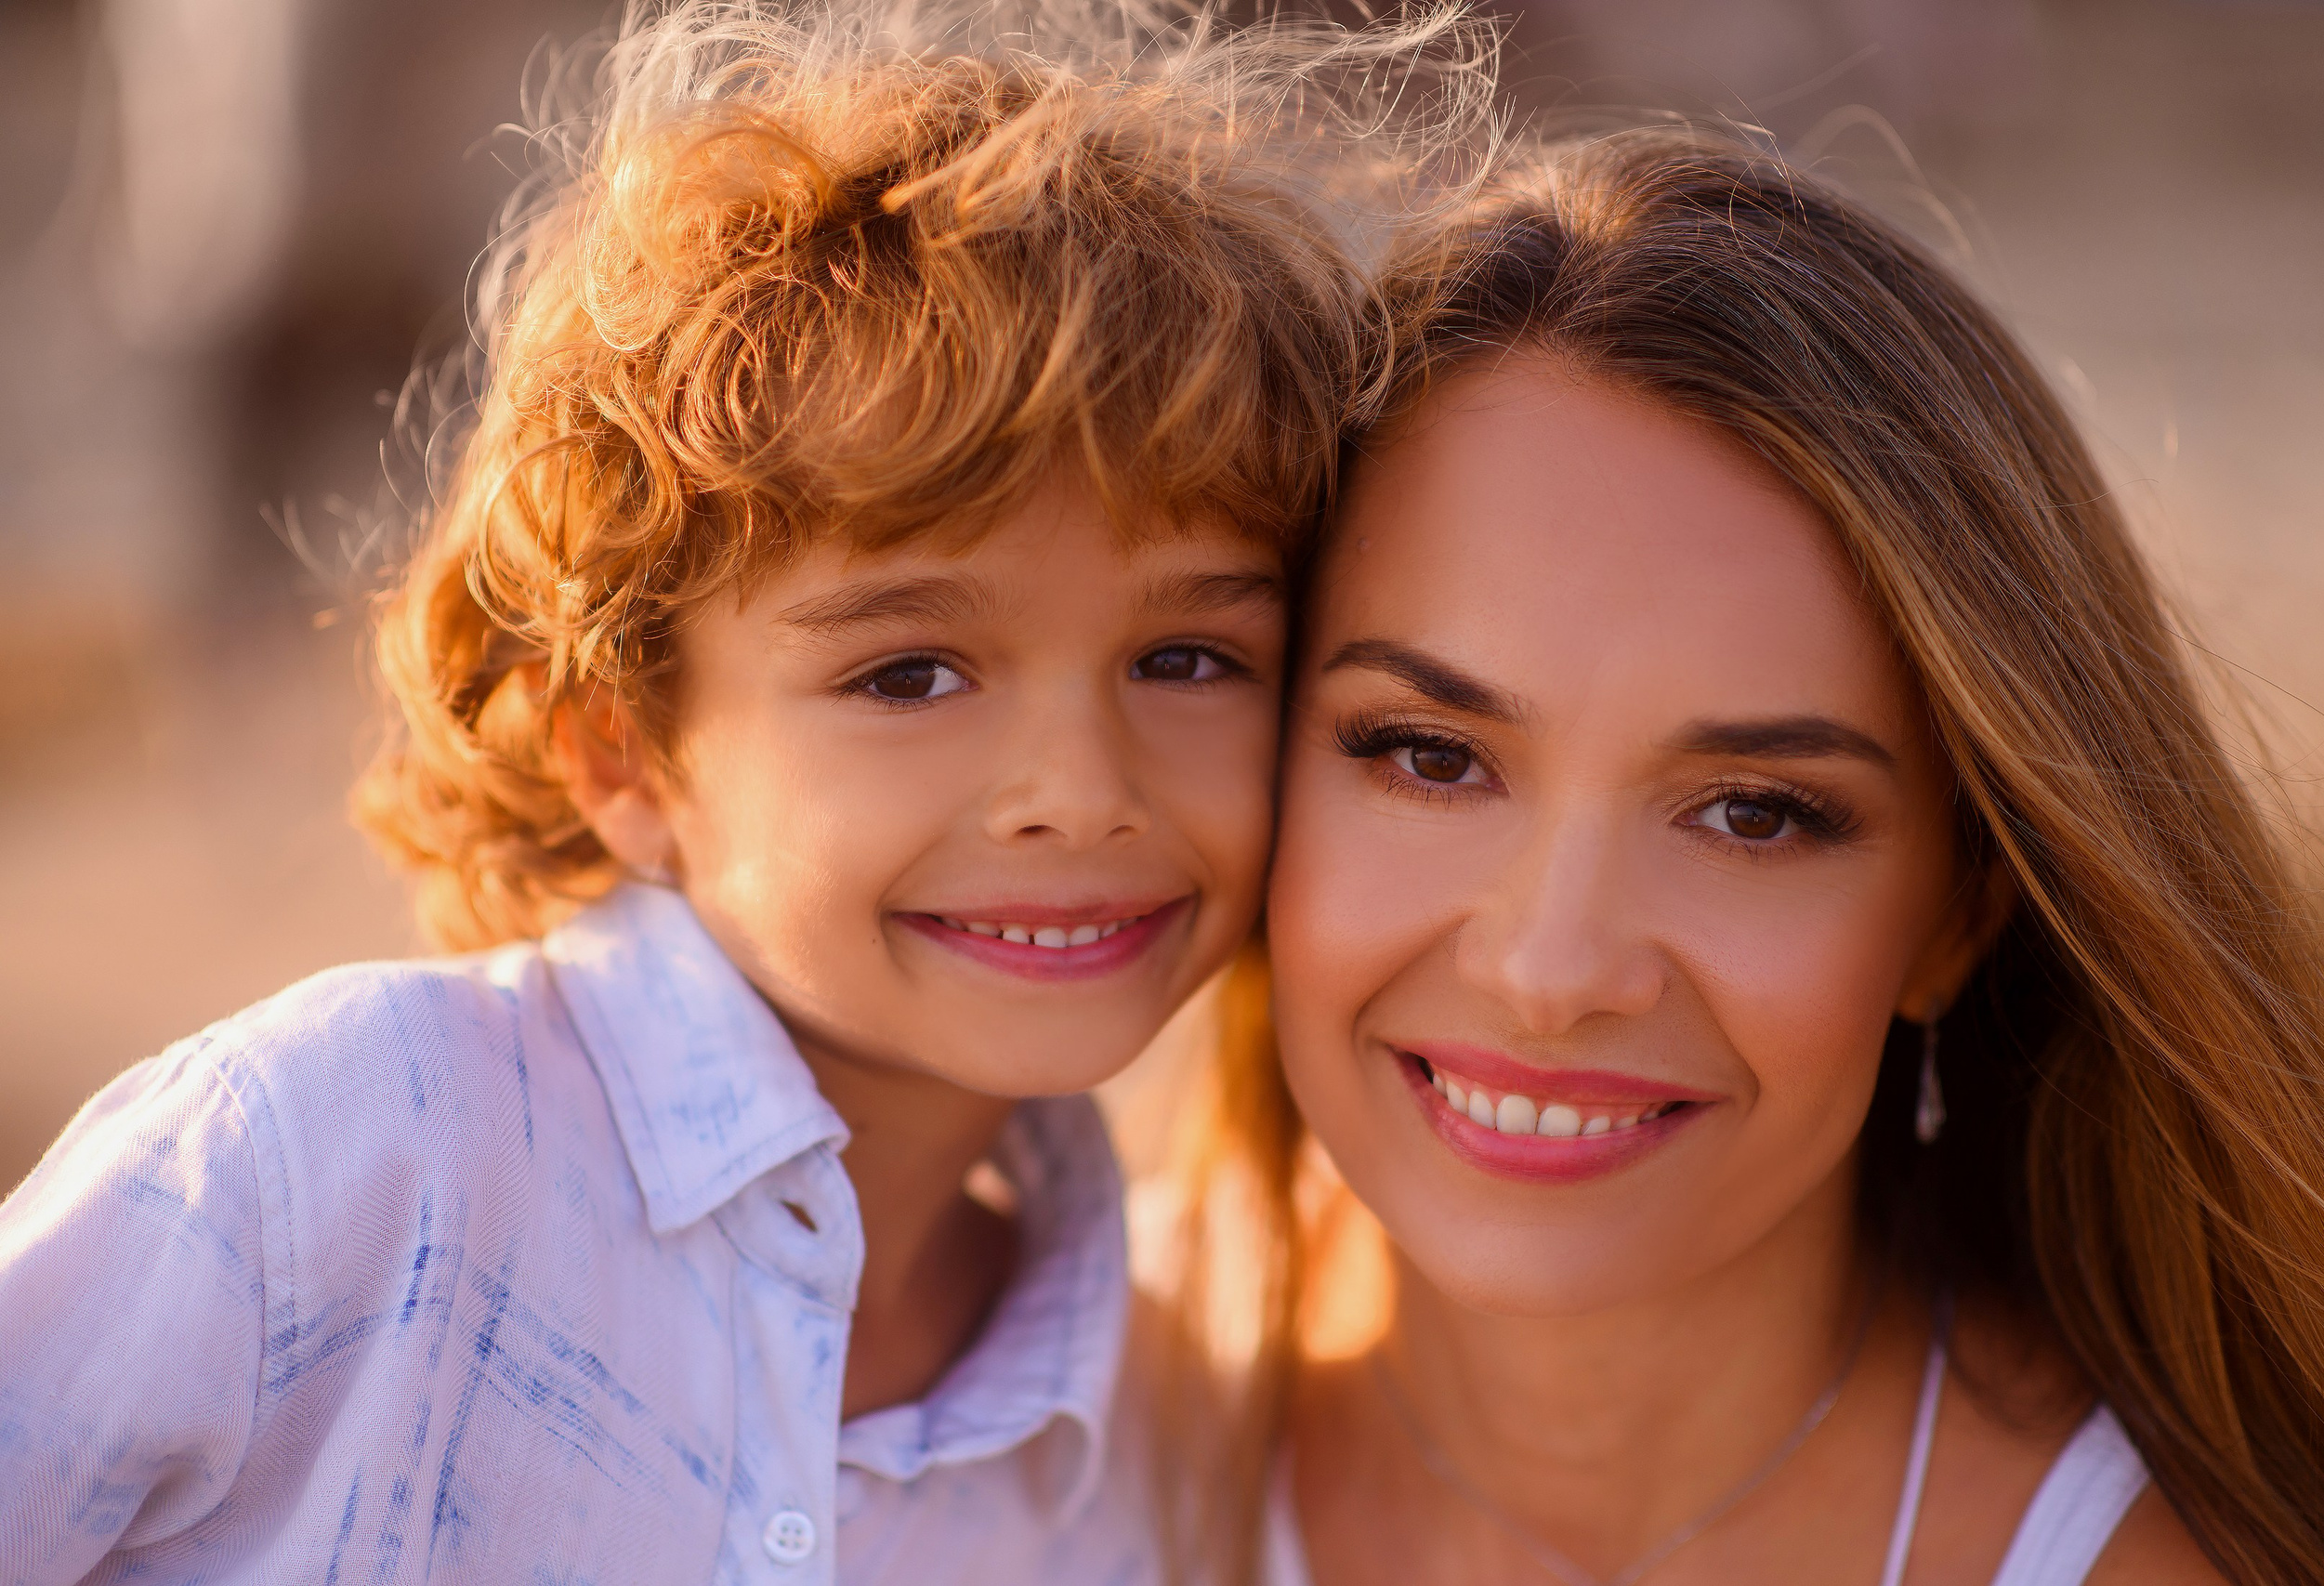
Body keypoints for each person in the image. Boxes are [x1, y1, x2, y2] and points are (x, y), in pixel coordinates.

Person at [0, 2, 1487, 1579]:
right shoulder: (350, 1155)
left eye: (1185, 659)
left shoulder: (1149, 1442)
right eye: (910, 675)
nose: (1079, 792)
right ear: (622, 752)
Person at [1166, 129, 2324, 1586]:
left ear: (1960, 914)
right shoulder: (1030, 1433)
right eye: (1430, 755)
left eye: (1754, 813)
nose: (1551, 970)